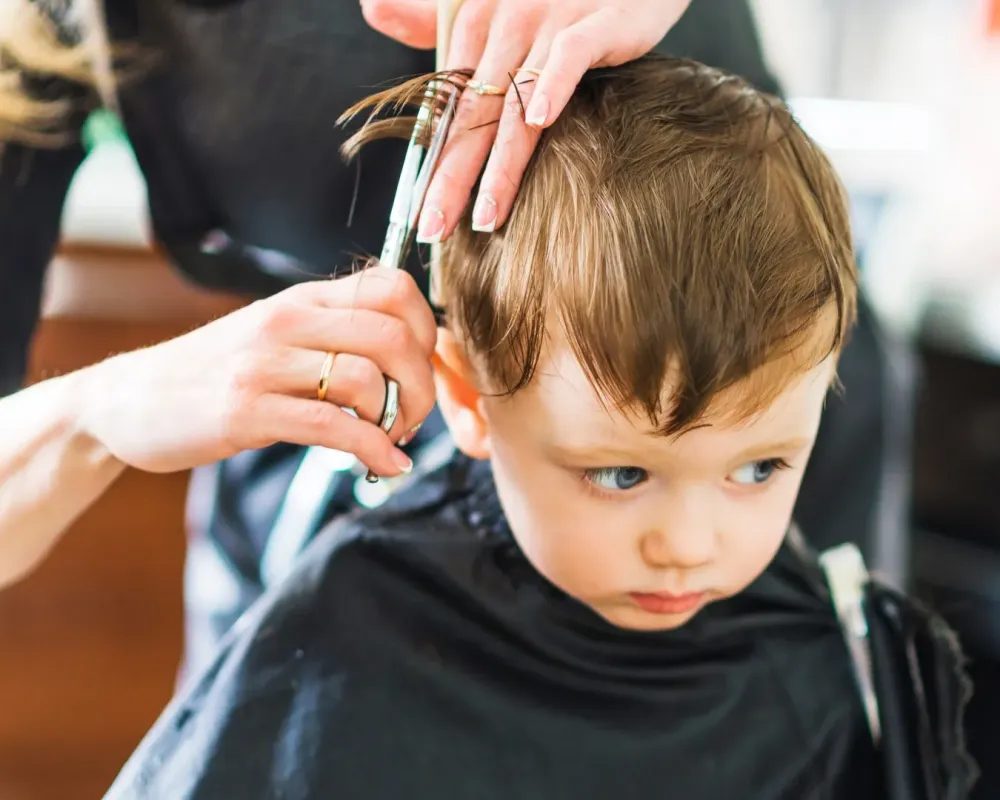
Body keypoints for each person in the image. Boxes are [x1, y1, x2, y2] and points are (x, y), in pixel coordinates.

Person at [103, 57, 973, 799]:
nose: (690, 545)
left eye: (760, 468)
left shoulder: (824, 669)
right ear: (470, 400)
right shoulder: (350, 642)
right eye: (621, 475)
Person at [0, 0, 912, 673]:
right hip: (336, 474)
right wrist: (96, 410)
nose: (685, 543)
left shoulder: (735, 506)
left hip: (771, 440)